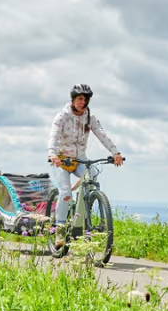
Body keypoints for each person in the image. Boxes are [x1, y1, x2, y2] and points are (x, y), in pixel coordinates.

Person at [47, 84, 124, 228]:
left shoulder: (90, 118)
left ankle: (82, 213)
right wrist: (52, 154)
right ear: (73, 99)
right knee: (65, 192)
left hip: (80, 159)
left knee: (93, 174)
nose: (83, 102)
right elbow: (53, 135)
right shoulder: (62, 117)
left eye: (86, 99)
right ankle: (60, 228)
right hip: (61, 160)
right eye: (80, 99)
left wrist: (115, 152)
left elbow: (102, 135)